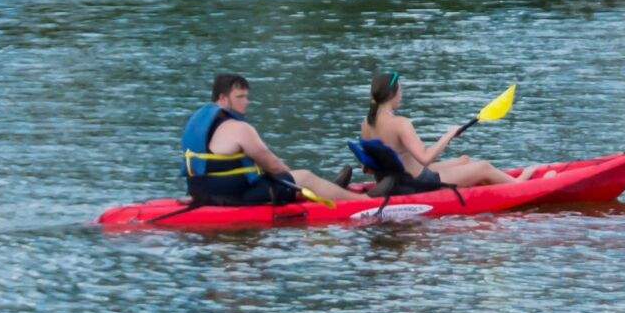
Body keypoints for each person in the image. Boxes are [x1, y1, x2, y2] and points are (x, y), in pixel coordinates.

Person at [180, 74, 348, 208]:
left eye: (247, 96)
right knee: (304, 177)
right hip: (234, 197)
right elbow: (274, 166)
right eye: (240, 97)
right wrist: (292, 179)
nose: (247, 102)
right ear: (223, 99)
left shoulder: (197, 122)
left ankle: (329, 189)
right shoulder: (239, 128)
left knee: (285, 179)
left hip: (201, 193)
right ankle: (362, 199)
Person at [352, 72, 515, 193]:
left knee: (464, 160)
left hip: (392, 180)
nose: (402, 96)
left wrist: (446, 139)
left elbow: (369, 167)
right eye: (400, 91)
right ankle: (518, 185)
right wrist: (448, 135)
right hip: (416, 183)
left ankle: (489, 189)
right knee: (483, 167)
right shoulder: (400, 123)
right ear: (393, 94)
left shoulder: (366, 123)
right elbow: (425, 158)